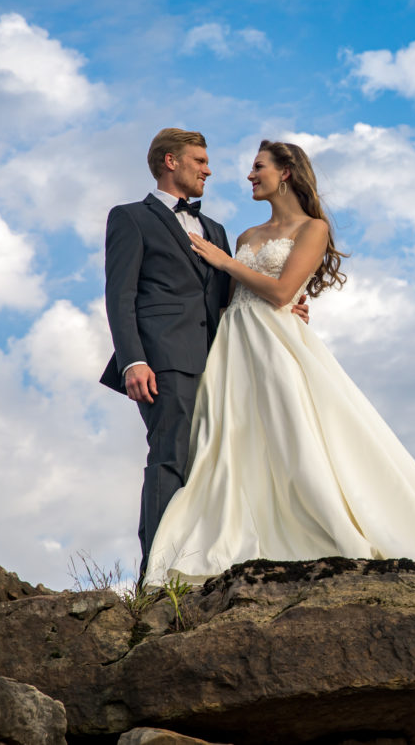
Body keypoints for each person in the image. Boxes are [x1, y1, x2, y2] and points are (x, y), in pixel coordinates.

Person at [145, 140, 415, 719]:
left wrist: (229, 267)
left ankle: (336, 524)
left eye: (258, 167)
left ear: (286, 173)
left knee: (301, 442)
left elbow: (278, 290)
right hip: (234, 347)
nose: (247, 175)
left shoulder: (311, 229)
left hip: (275, 348)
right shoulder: (242, 236)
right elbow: (231, 297)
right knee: (232, 446)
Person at [99, 128, 306, 581]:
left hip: (221, 361)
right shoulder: (130, 217)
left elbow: (228, 295)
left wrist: (287, 305)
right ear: (170, 162)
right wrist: (133, 360)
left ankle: (195, 564)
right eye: (200, 160)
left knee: (211, 465)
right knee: (170, 456)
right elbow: (120, 294)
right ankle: (155, 573)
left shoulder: (216, 230)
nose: (209, 169)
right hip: (163, 360)